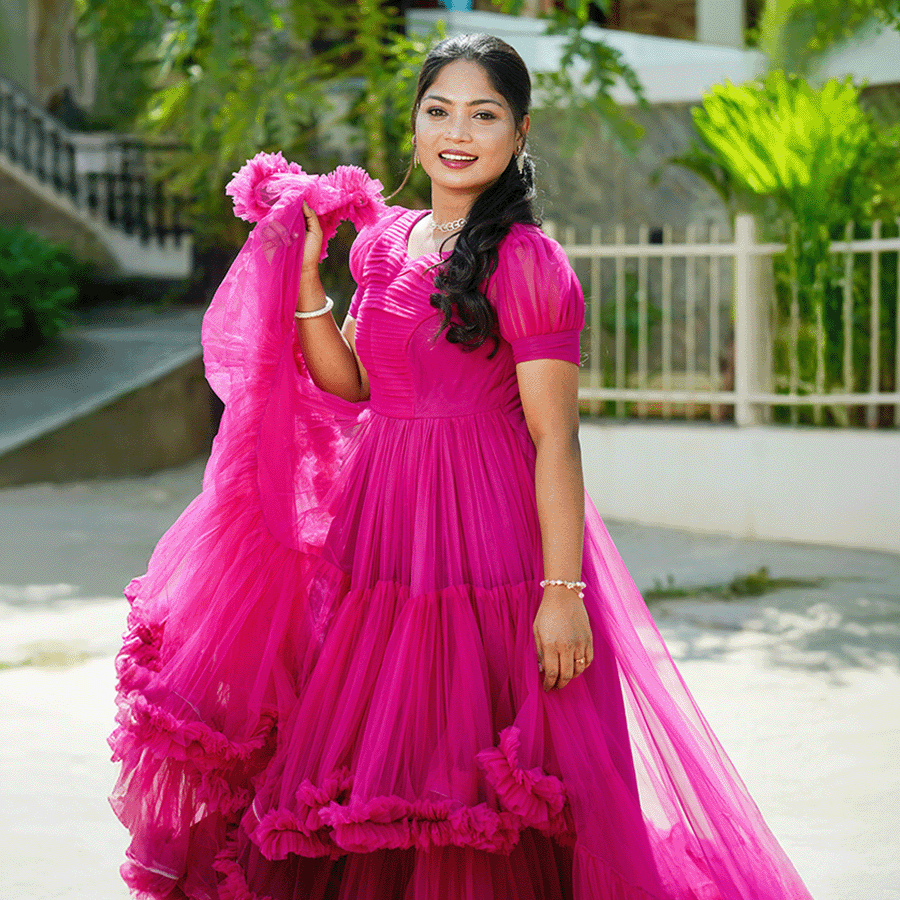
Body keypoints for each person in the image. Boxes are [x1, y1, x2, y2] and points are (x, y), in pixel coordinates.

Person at [110, 34, 814, 900]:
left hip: (488, 539)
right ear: (414, 127)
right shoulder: (385, 245)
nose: (458, 132)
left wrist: (564, 596)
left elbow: (557, 439)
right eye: (439, 110)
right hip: (382, 528)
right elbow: (358, 384)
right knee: (373, 768)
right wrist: (305, 281)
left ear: (518, 135)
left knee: (472, 782)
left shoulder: (528, 263)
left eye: (483, 115)